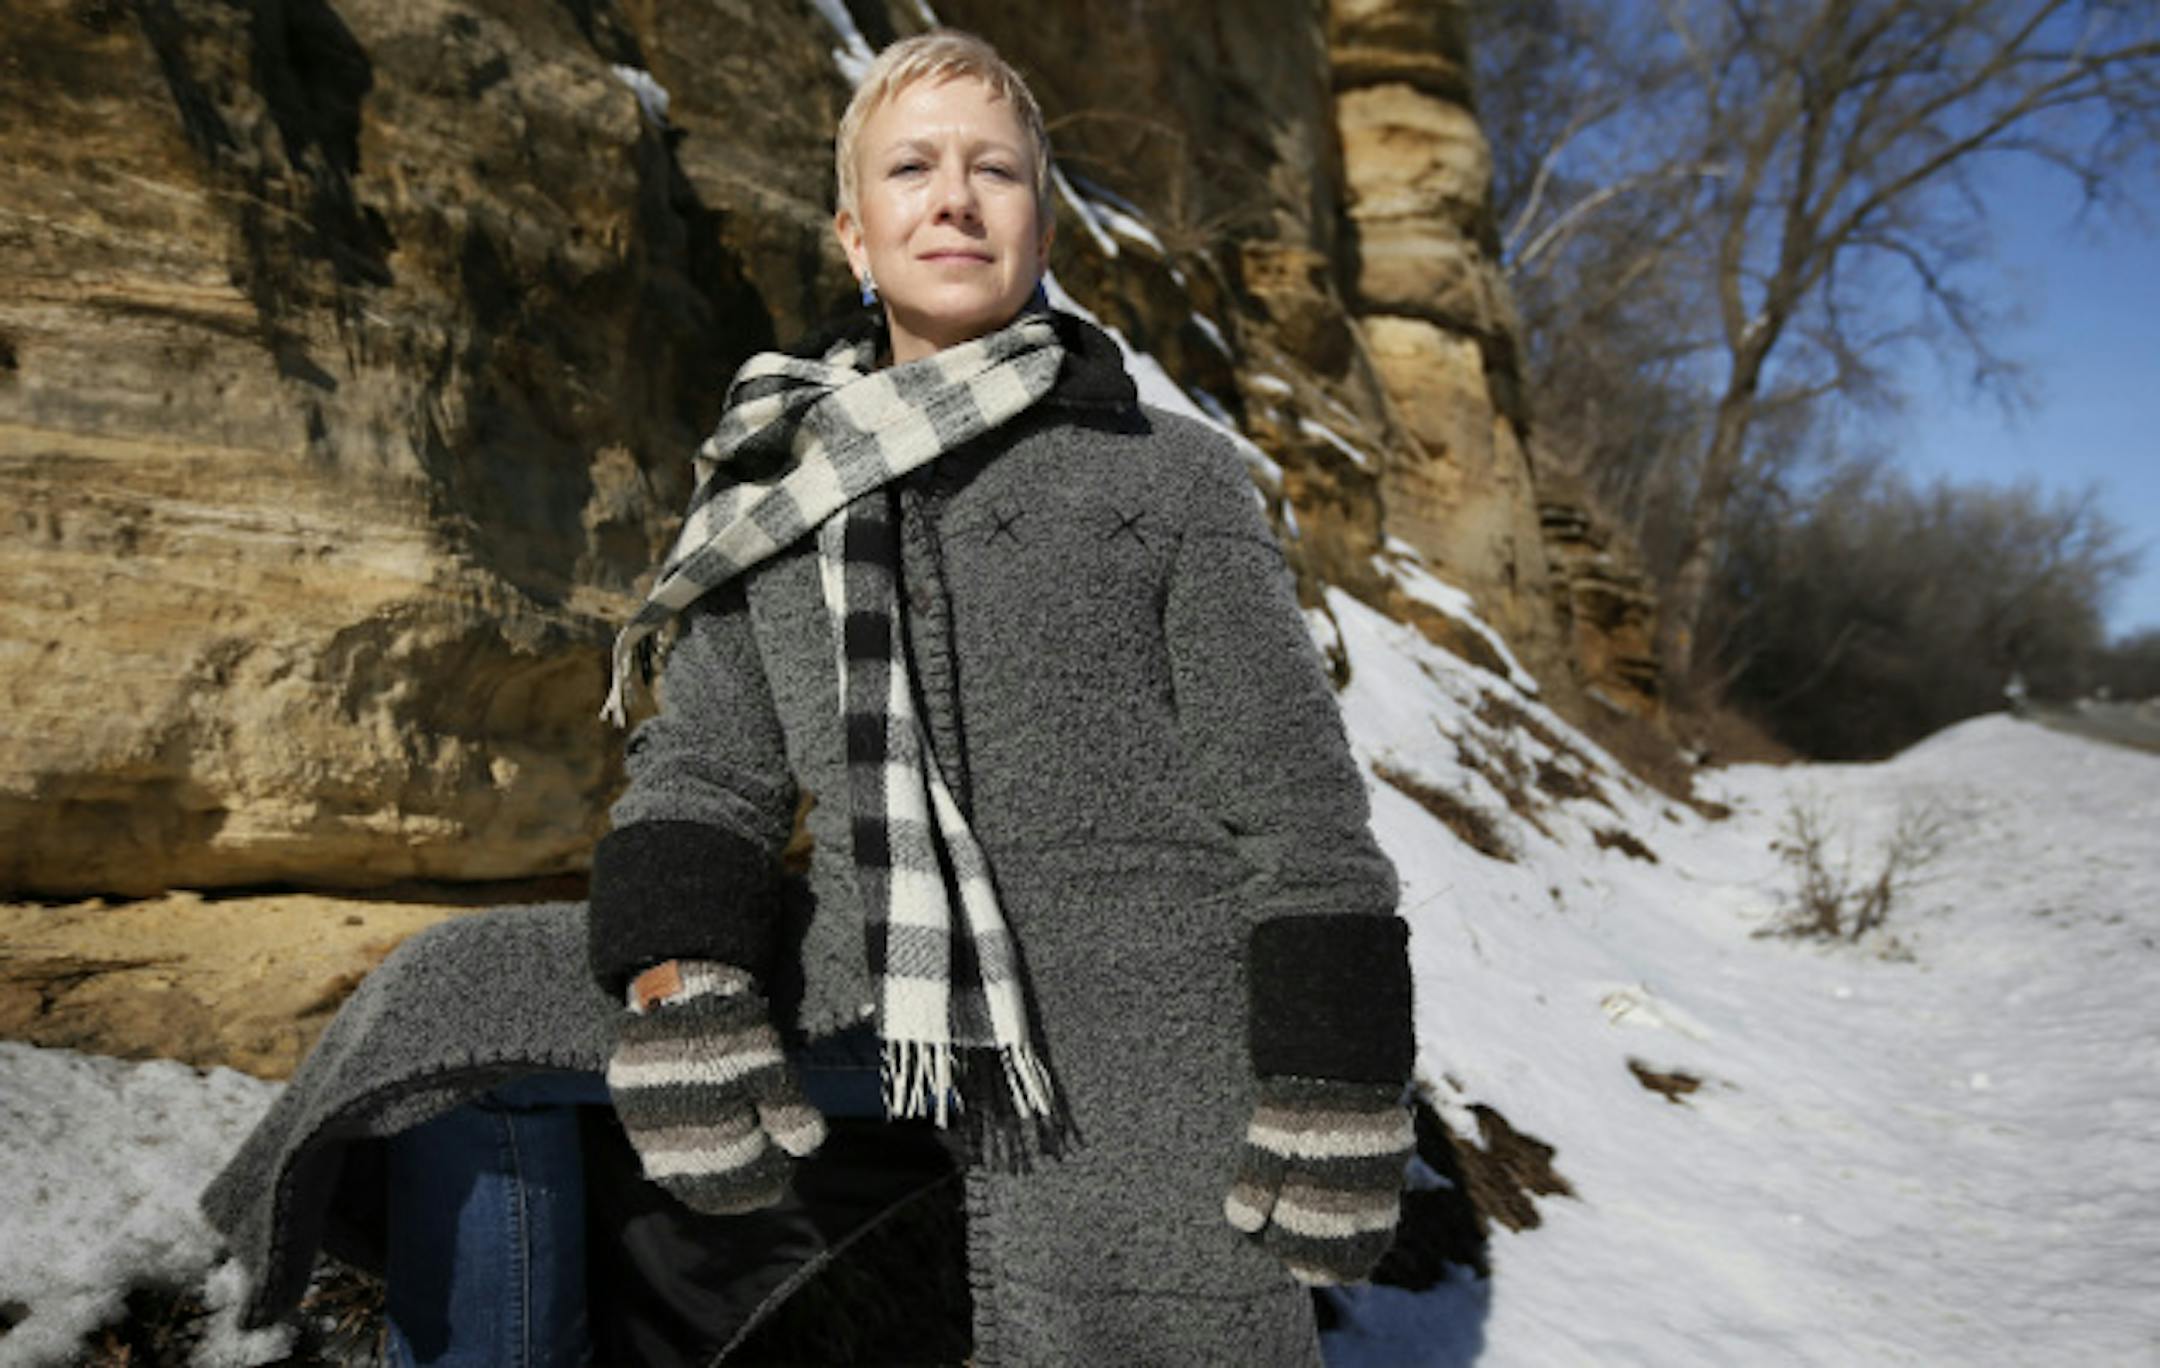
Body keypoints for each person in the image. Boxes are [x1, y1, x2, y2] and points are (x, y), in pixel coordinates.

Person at [202, 28, 1416, 1367]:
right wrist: (679, 987)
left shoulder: (1173, 476)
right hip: (866, 982)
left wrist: (1335, 1071)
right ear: (856, 233)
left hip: (1130, 1020)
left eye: (995, 172)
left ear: (1040, 222)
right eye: (912, 168)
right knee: (454, 1004)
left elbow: (1299, 809)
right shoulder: (776, 483)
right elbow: (703, 773)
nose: (954, 198)